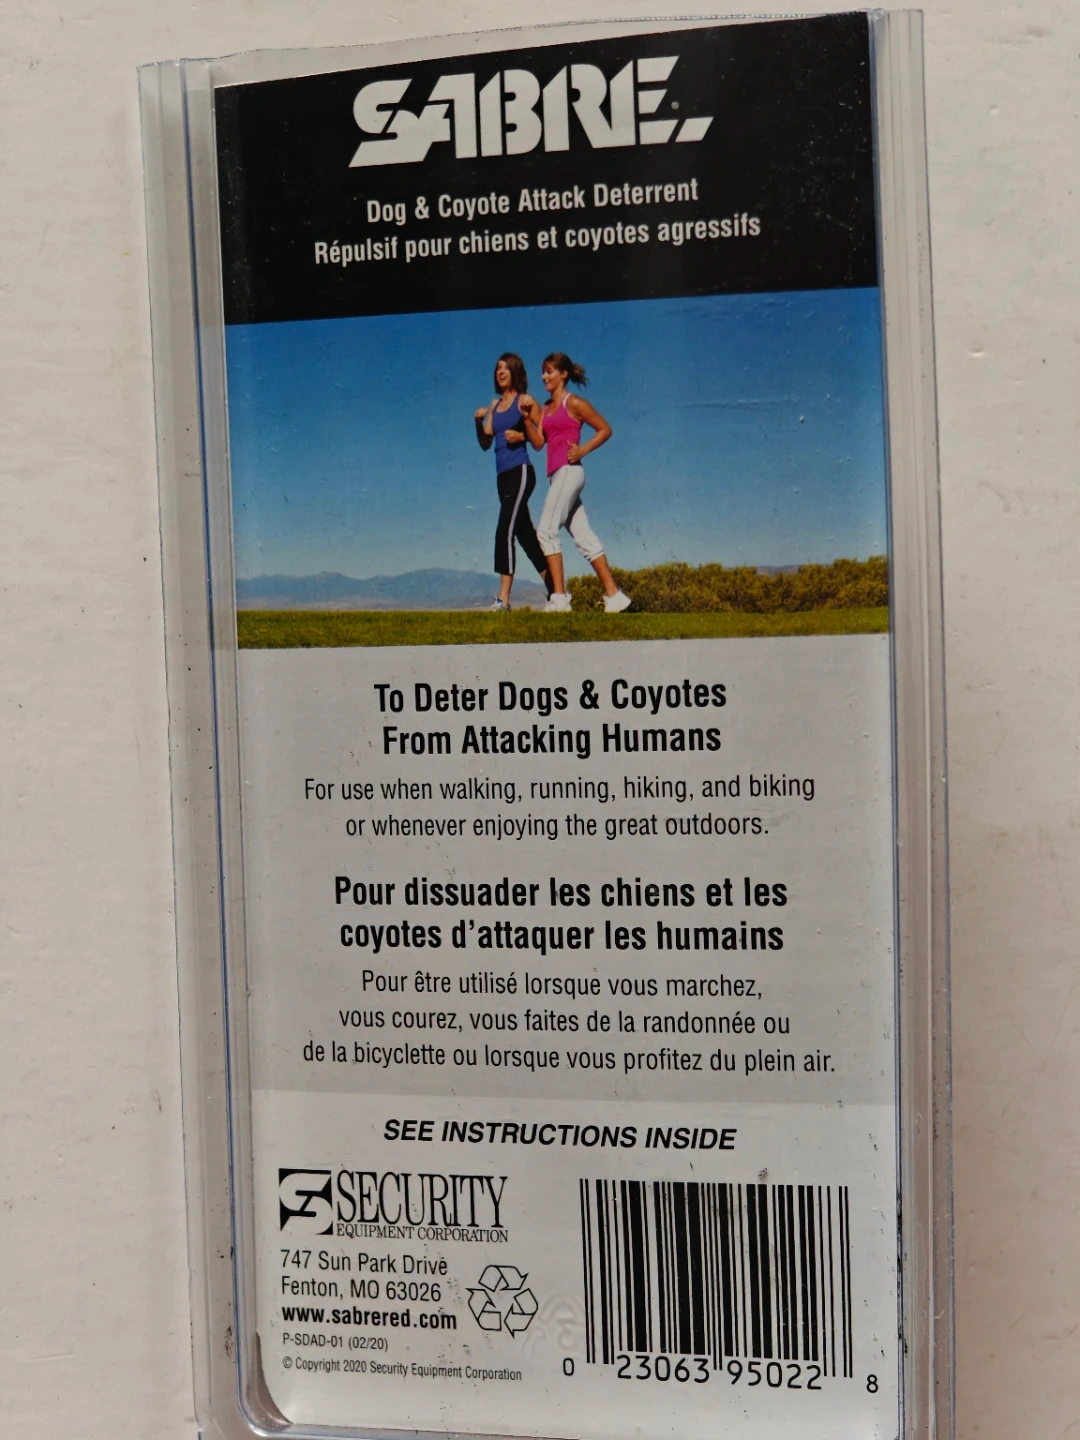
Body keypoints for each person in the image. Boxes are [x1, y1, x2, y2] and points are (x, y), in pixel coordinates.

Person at [520, 352, 631, 614]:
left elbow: (605, 429)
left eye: (549, 371)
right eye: (543, 371)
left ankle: (559, 598)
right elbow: (539, 443)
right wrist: (526, 419)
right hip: (556, 476)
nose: (543, 376)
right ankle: (615, 596)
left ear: (564, 374)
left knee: (546, 531)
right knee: (583, 537)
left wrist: (582, 450)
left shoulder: (574, 403)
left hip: (569, 471)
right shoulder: (546, 408)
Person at [474, 354, 551, 611]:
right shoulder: (495, 406)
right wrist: (478, 421)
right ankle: (556, 591)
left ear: (515, 371)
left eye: (506, 368)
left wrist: (522, 436)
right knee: (525, 535)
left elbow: (542, 438)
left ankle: (503, 600)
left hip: (521, 471)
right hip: (502, 477)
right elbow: (486, 443)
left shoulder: (525, 401)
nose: (501, 371)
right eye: (498, 368)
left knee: (504, 530)